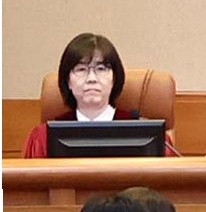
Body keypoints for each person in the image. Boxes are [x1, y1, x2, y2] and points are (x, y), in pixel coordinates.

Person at [22, 33, 176, 158]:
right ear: (67, 81)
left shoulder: (148, 134)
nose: (91, 78)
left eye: (101, 69)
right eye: (81, 69)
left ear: (114, 79)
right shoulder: (43, 138)